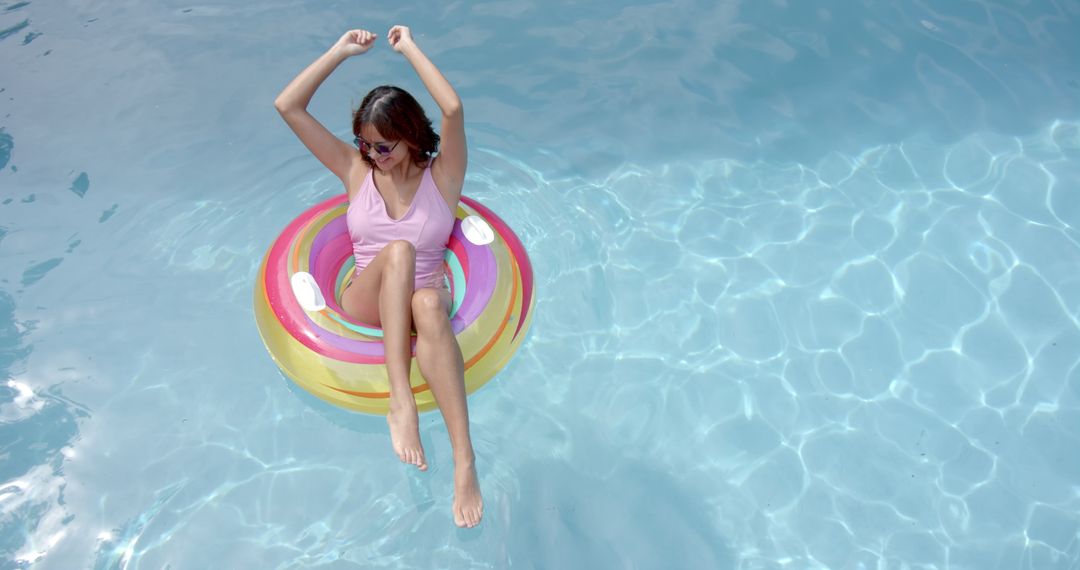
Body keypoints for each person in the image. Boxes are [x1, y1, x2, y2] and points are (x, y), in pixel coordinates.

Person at [274, 26, 481, 528]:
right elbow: (288, 106)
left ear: (411, 137)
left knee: (429, 303)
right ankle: (401, 402)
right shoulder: (354, 170)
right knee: (398, 251)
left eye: (384, 146)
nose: (373, 156)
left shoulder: (443, 176)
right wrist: (340, 53)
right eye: (365, 146)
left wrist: (409, 46)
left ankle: (465, 462)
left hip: (423, 296)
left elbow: (452, 110)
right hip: (366, 296)